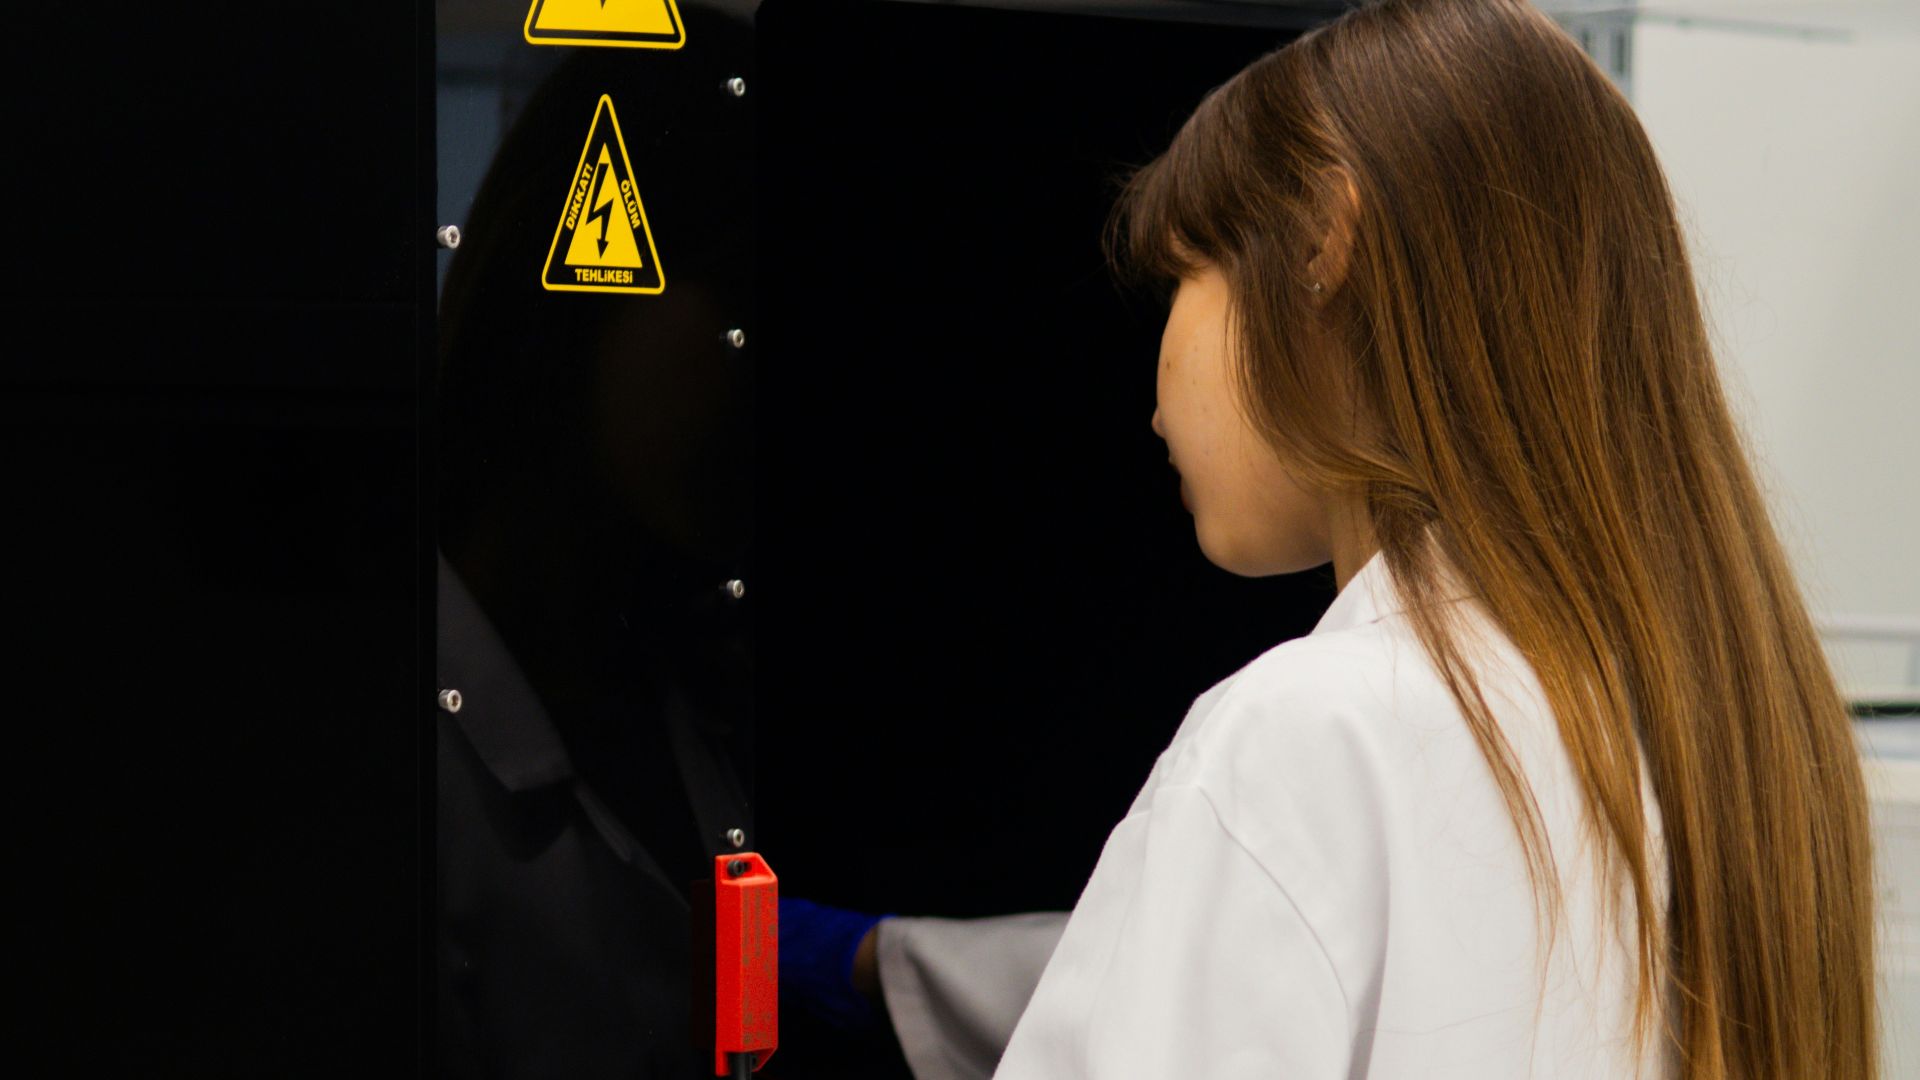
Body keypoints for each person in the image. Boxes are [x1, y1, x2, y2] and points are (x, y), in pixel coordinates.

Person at [784, 1, 1880, 1077]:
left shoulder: (1308, 736)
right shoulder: (1744, 740)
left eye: (1184, 275)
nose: (1157, 396)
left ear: (1322, 240)